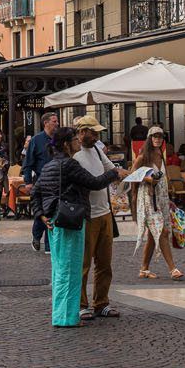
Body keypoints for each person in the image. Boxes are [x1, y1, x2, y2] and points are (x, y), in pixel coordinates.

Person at [31, 126, 125, 327]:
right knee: (71, 270)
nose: (78, 142)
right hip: (71, 221)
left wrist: (41, 215)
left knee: (60, 269)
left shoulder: (50, 165)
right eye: (74, 139)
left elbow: (35, 192)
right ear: (66, 144)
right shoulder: (69, 164)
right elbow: (94, 182)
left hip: (56, 222)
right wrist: (114, 172)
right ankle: (68, 317)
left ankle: (61, 314)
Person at [72, 115, 121, 320]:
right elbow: (94, 181)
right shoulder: (75, 156)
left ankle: (101, 302)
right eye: (93, 133)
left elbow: (113, 170)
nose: (97, 136)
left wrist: (138, 174)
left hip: (105, 213)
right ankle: (82, 304)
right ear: (82, 133)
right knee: (83, 263)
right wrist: (114, 174)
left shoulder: (97, 150)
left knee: (104, 262)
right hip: (88, 215)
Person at [132, 126, 183, 281]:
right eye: (155, 136)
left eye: (160, 137)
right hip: (148, 198)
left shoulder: (161, 153)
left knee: (154, 235)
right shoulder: (143, 156)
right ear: (149, 138)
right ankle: (173, 269)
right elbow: (131, 175)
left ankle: (144, 269)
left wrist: (168, 199)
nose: (157, 139)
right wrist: (147, 179)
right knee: (162, 232)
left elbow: (163, 178)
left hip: (160, 198)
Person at [23, 113, 59, 252]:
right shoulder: (36, 140)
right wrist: (28, 182)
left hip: (57, 182)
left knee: (52, 211)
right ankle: (36, 236)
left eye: (57, 121)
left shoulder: (58, 139)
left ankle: (49, 245)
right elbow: (28, 163)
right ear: (46, 123)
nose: (57, 124)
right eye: (54, 121)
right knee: (43, 211)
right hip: (41, 181)